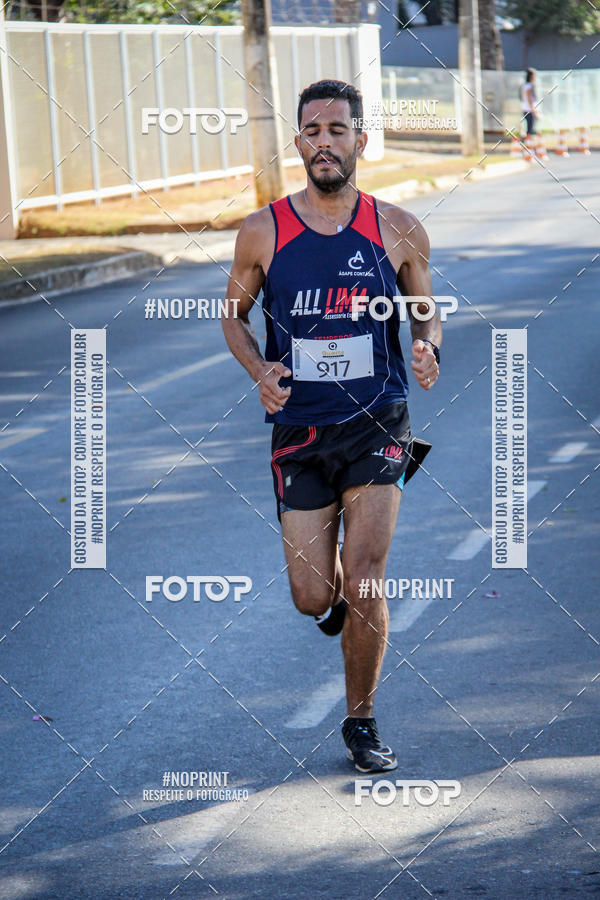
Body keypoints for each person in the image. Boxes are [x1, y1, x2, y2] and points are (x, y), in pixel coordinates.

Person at [222, 79, 442, 774]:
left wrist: (429, 345)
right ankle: (335, 603)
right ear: (298, 143)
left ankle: (362, 721)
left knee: (369, 574)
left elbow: (426, 309)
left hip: (379, 420)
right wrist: (259, 369)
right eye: (312, 131)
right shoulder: (263, 231)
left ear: (360, 142)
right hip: (300, 429)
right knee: (314, 594)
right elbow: (233, 315)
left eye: (337, 130)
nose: (325, 142)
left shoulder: (398, 227)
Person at [520, 68, 538, 137]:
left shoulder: (525, 85)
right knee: (530, 130)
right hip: (529, 110)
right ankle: (528, 144)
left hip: (528, 109)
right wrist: (533, 109)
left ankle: (528, 143)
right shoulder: (528, 86)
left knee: (529, 129)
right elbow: (529, 99)